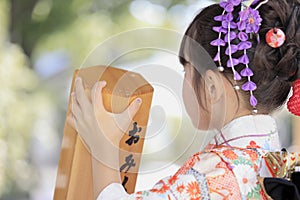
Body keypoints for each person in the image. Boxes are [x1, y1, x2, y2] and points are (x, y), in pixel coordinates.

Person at [68, 0, 300, 199]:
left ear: (211, 86)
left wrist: (103, 148)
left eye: (185, 70)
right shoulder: (276, 165)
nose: (184, 82)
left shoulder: (213, 175)